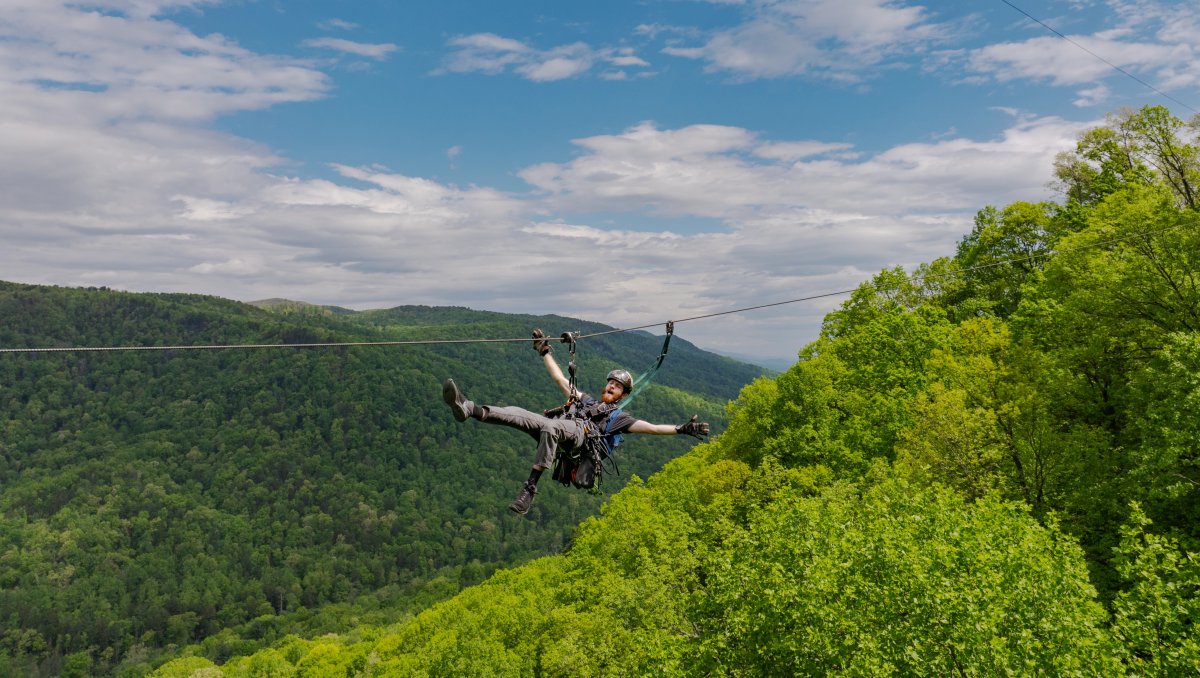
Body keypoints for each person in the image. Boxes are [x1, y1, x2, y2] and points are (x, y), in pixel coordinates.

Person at [442, 329, 710, 515]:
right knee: (517, 413)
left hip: (578, 439)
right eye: (611, 382)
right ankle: (468, 409)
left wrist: (681, 429)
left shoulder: (618, 418)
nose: (612, 386)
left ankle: (530, 489)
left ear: (623, 395)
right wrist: (543, 350)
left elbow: (651, 428)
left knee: (551, 426)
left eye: (618, 386)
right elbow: (561, 380)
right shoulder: (587, 400)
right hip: (559, 432)